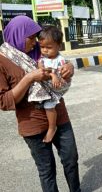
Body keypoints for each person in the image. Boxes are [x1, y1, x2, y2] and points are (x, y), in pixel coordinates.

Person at [0, 16, 81, 191]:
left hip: (58, 113)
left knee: (71, 158)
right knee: (47, 170)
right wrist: (30, 77)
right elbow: (4, 101)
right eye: (31, 37)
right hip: (32, 122)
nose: (35, 41)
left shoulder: (40, 49)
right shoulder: (3, 61)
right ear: (18, 35)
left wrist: (70, 67)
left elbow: (59, 58)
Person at [35, 26, 71, 143]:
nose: (45, 50)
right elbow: (41, 69)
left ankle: (52, 127)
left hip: (59, 86)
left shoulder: (60, 59)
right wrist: (49, 73)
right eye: (42, 47)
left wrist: (53, 75)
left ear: (59, 46)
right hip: (51, 85)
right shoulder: (43, 58)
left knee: (48, 105)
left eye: (49, 47)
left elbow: (61, 74)